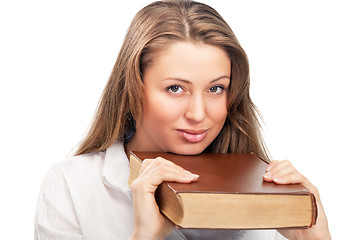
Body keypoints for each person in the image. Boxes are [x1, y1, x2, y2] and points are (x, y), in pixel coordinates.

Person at [34, 0, 331, 239]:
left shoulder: (270, 195)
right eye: (175, 88)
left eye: (216, 88)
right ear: (134, 88)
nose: (199, 114)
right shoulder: (72, 184)